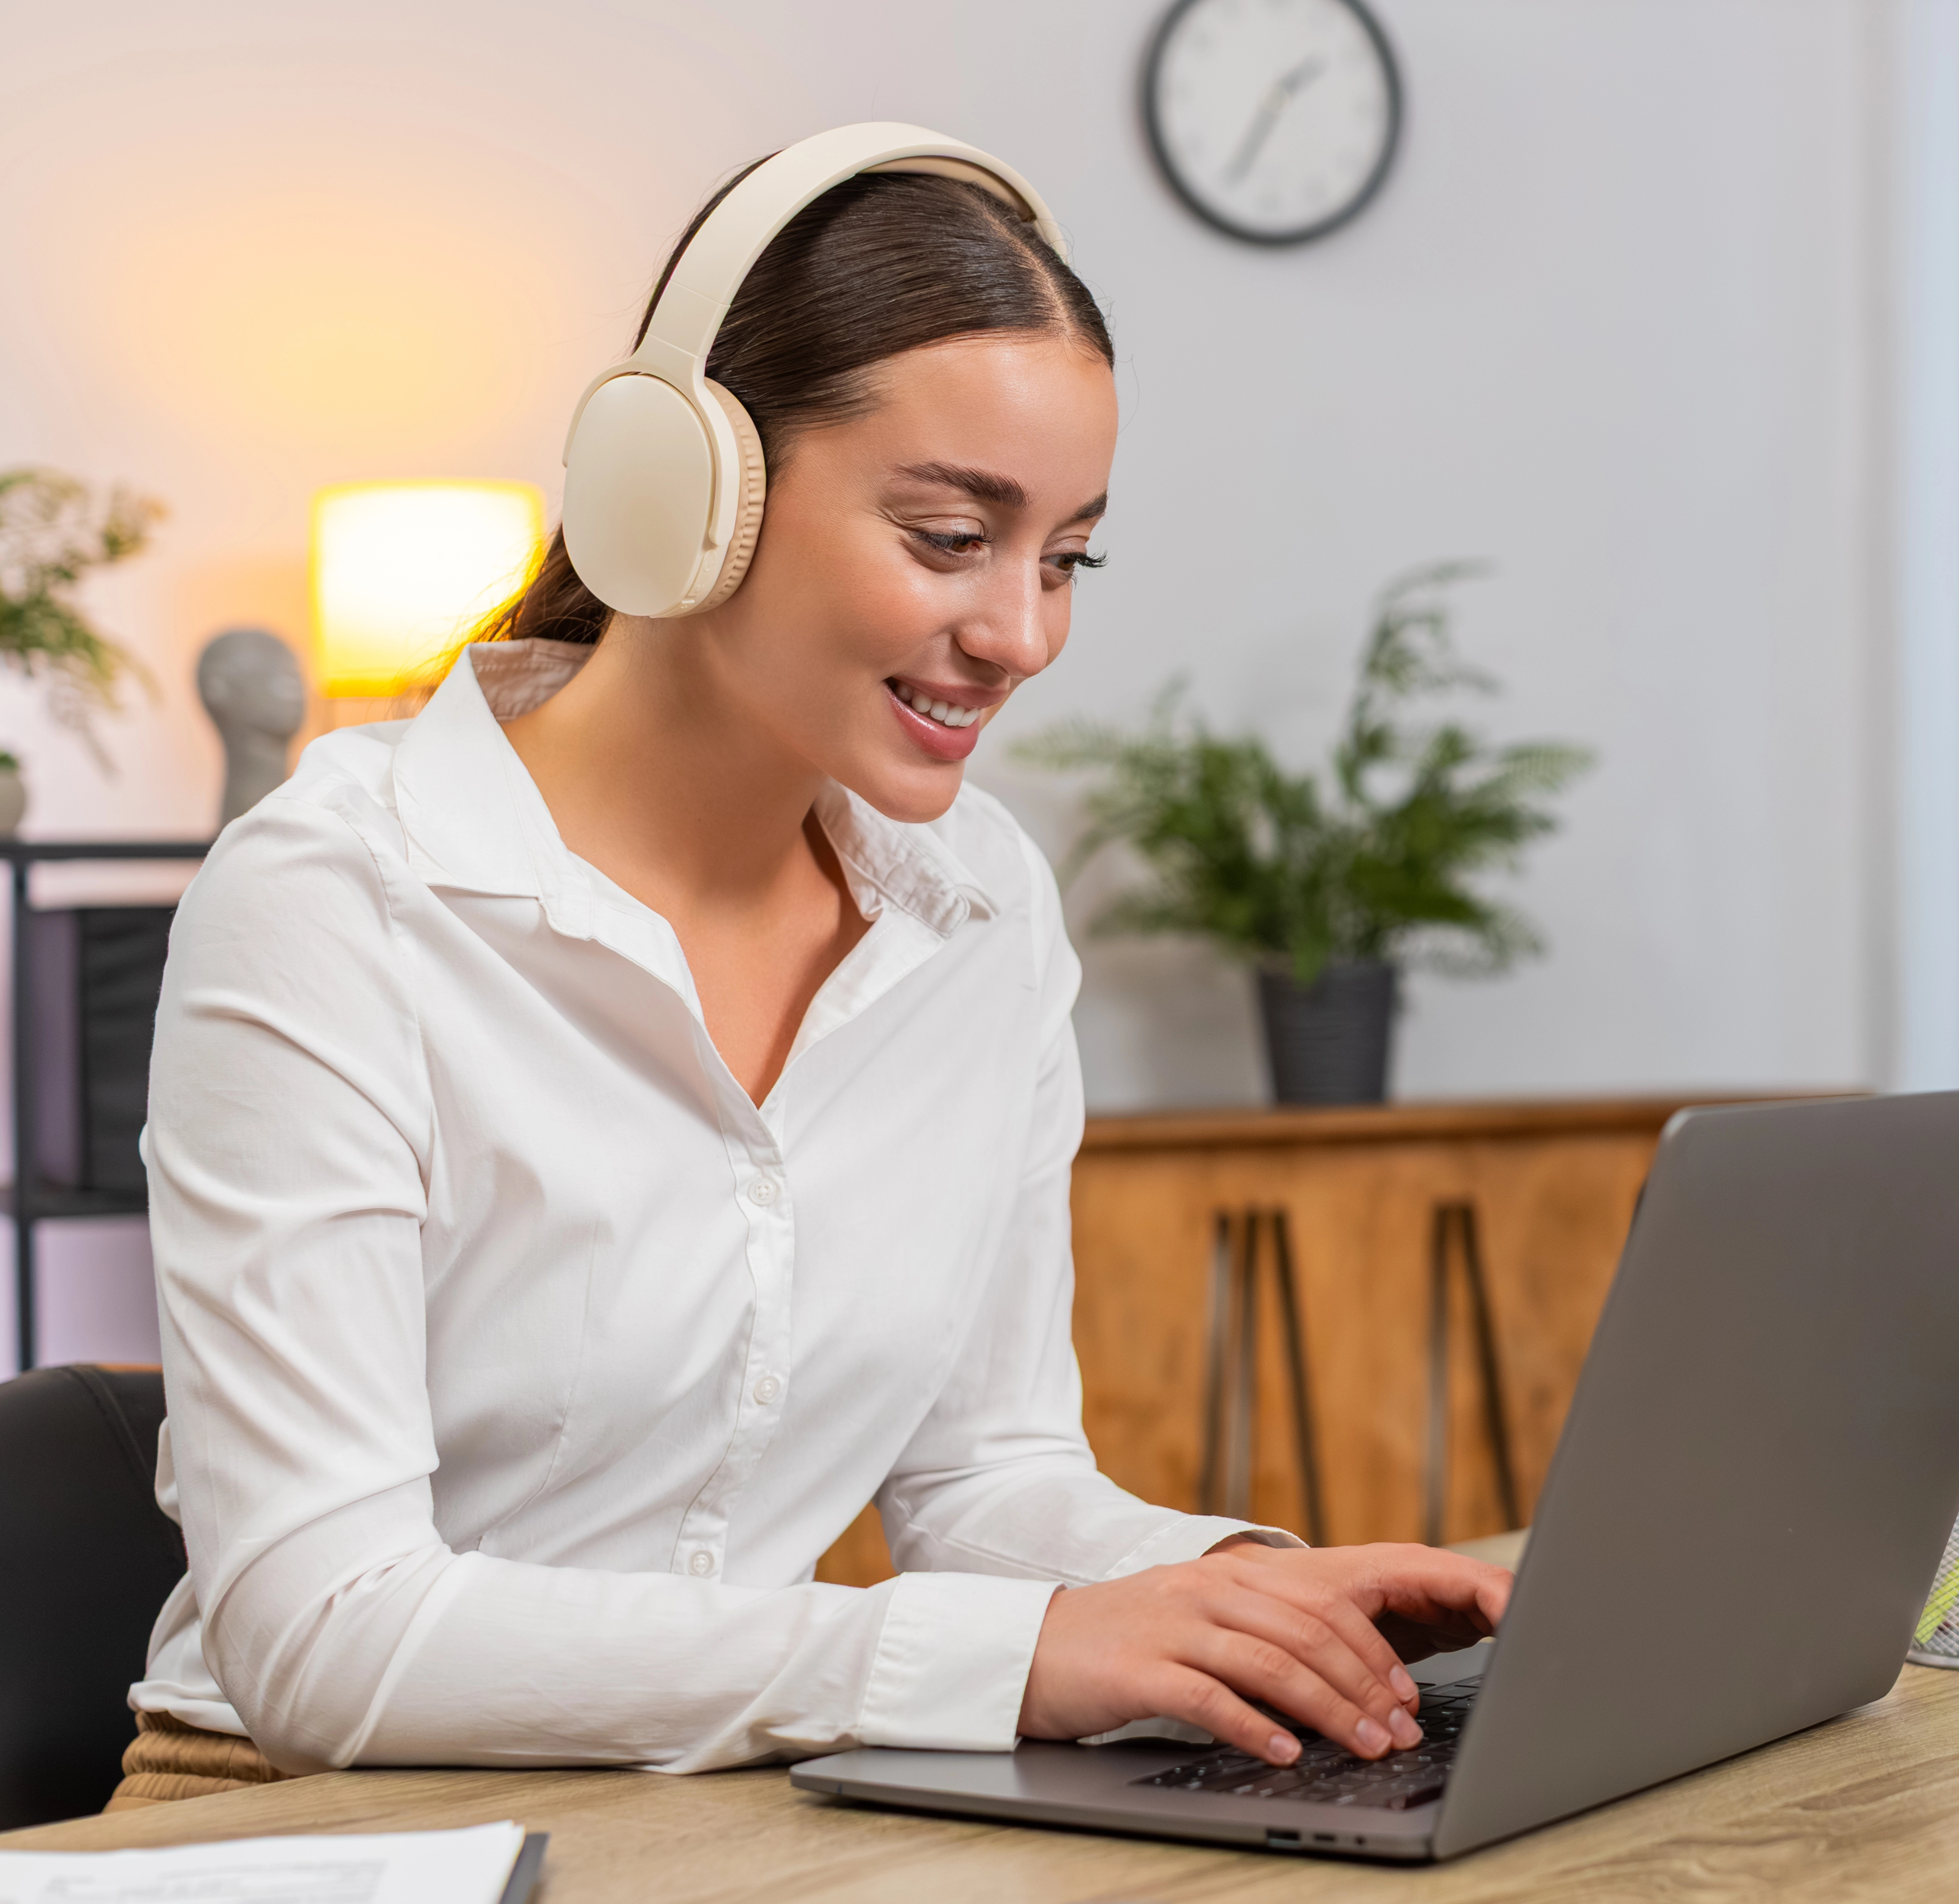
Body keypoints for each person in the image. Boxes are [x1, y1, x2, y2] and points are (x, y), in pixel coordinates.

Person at [117, 138, 1509, 1807]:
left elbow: (984, 1475)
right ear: (686, 496)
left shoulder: (982, 910)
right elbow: (323, 1631)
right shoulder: (337, 900)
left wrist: (1250, 1596)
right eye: (947, 537)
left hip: (724, 1799)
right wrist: (973, 1662)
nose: (1023, 634)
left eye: (1067, 556)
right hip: (303, 1824)